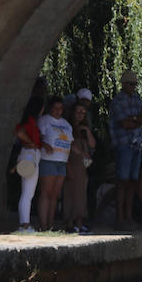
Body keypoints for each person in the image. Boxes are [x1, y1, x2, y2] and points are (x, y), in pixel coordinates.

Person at [109, 69, 142, 230]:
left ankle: (128, 217)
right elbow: (124, 124)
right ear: (124, 84)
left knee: (133, 182)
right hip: (123, 145)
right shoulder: (118, 101)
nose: (134, 87)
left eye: (135, 84)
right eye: (131, 84)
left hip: (136, 145)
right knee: (122, 181)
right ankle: (119, 219)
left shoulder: (136, 99)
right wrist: (138, 120)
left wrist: (134, 119)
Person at [34, 96, 72, 231]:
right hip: (48, 160)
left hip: (62, 161)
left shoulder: (67, 124)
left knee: (55, 195)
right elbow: (38, 137)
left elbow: (70, 142)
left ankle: (50, 225)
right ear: (50, 107)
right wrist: (45, 144)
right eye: (55, 108)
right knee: (46, 193)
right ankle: (42, 225)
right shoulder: (44, 120)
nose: (58, 111)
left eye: (61, 108)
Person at [64, 97, 96, 234]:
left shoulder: (84, 129)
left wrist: (87, 131)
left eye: (83, 112)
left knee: (81, 194)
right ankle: (69, 222)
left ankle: (80, 221)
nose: (80, 115)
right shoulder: (67, 127)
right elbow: (68, 147)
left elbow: (93, 145)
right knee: (69, 193)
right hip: (70, 162)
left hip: (82, 166)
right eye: (78, 111)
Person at [13, 96, 43, 232]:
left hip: (28, 154)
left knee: (26, 193)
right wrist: (30, 142)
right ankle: (24, 225)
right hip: (30, 154)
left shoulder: (27, 120)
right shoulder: (31, 122)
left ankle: (24, 224)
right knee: (27, 193)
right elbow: (20, 133)